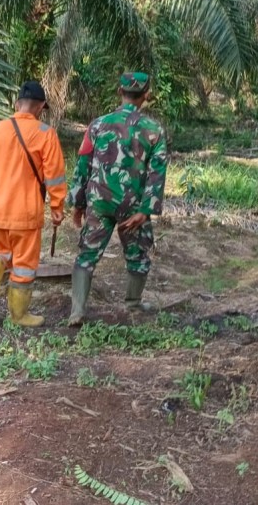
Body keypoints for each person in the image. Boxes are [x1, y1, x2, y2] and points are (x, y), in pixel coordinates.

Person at [68, 72, 168, 326]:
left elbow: (83, 165)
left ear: (119, 93)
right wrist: (146, 210)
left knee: (86, 256)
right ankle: (133, 303)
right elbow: (157, 173)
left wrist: (78, 204)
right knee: (139, 255)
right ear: (146, 95)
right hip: (132, 206)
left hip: (98, 202)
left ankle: (77, 310)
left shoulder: (97, 125)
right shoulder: (154, 130)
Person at [0, 81, 66, 327]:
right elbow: (54, 177)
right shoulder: (45, 134)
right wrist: (57, 209)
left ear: (17, 105)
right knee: (24, 266)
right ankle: (19, 316)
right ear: (40, 108)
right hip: (25, 213)